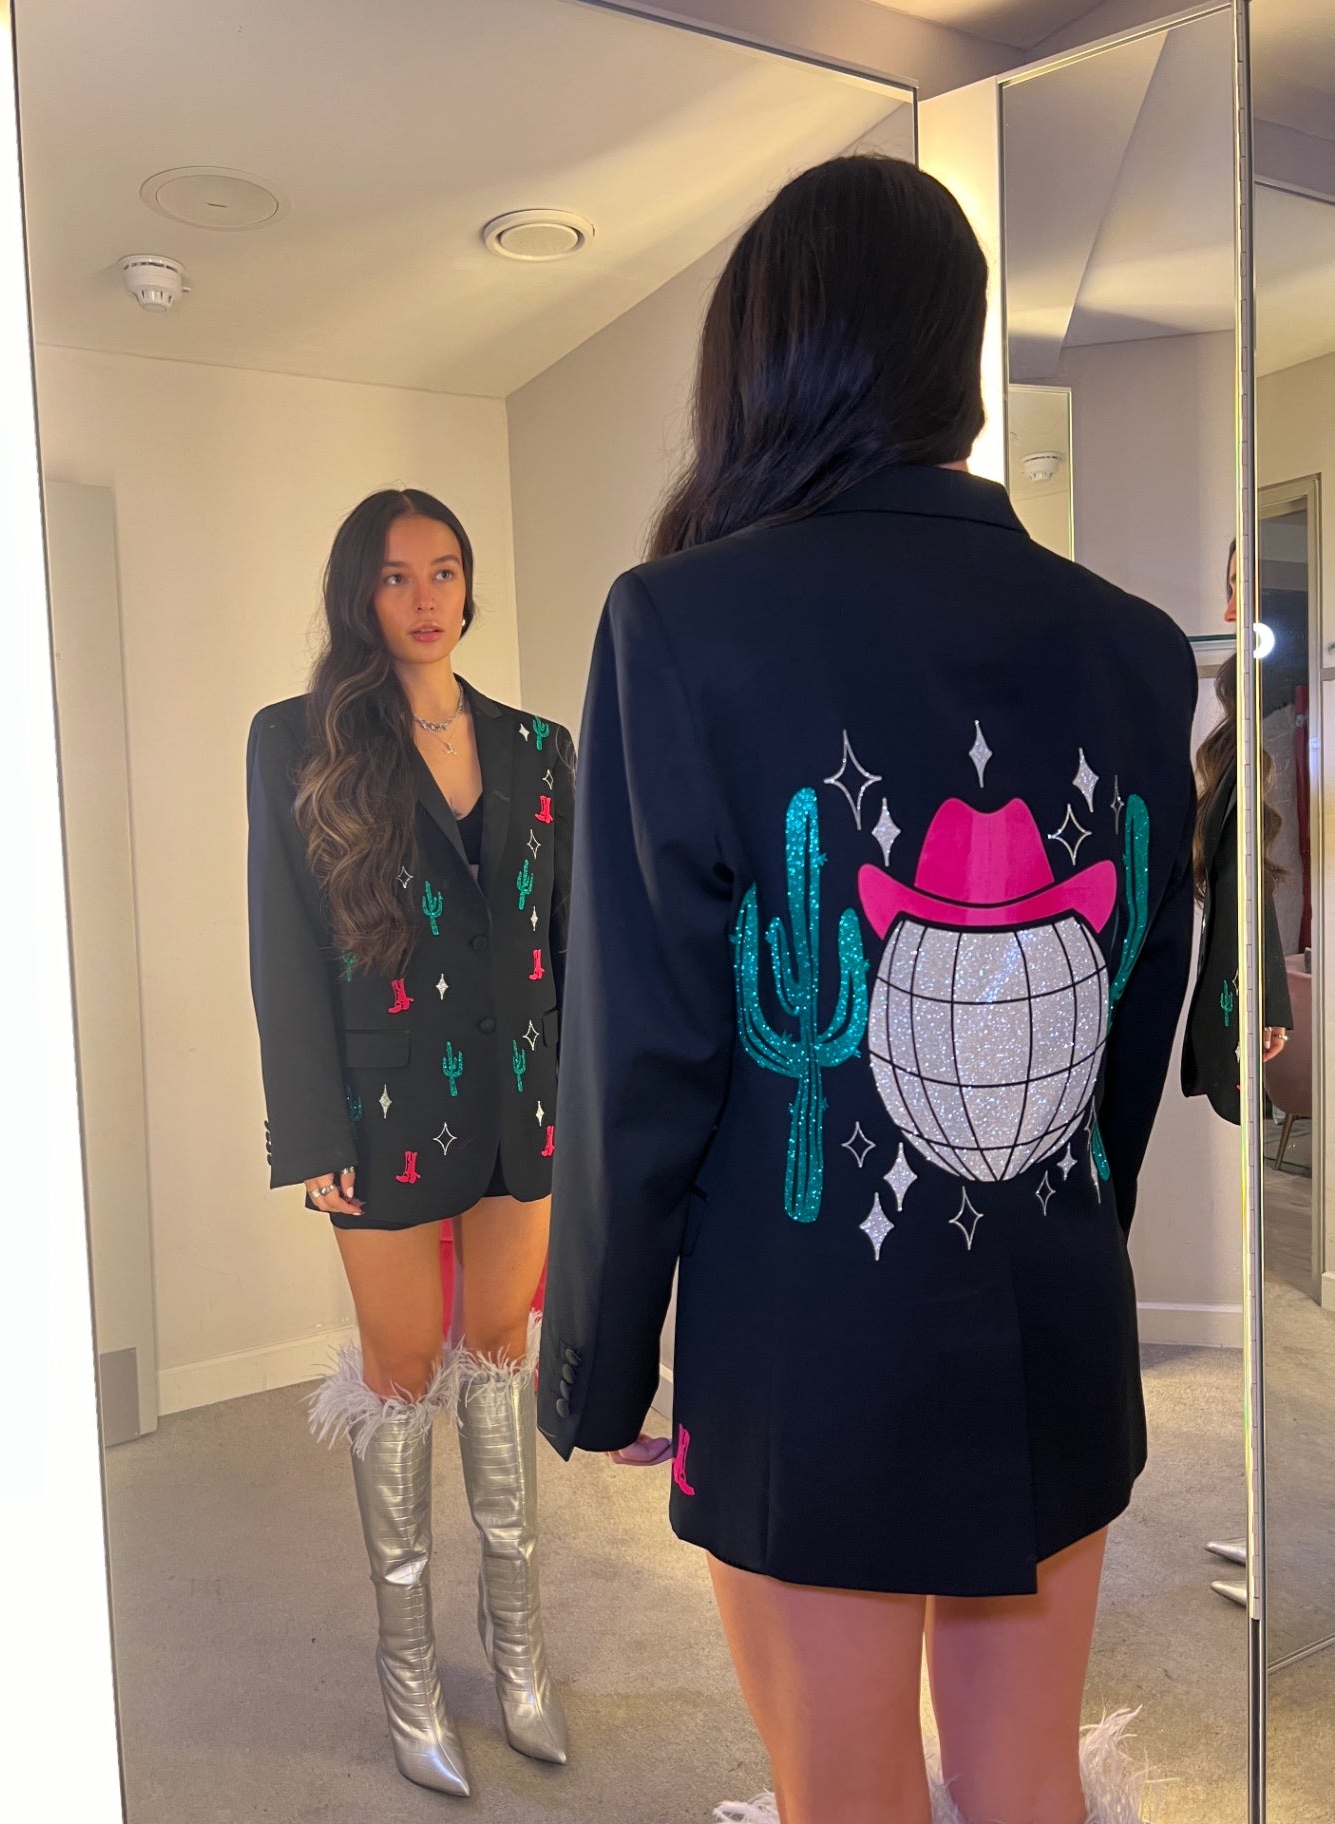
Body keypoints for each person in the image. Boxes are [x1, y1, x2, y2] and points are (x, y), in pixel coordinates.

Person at [538, 157, 1198, 1824]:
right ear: (951, 349)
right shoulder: (1132, 646)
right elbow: (1129, 1010)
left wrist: (602, 1357)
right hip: (1053, 1310)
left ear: (766, 355)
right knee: (1025, 1781)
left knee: (844, 1792)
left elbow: (639, 1045)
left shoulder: (680, 624)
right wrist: (1059, 1242)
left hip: (806, 1342)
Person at [246, 488, 573, 1797]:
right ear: (359, 593)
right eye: (396, 576)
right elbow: (281, 944)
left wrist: (578, 1097)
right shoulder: (297, 740)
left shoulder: (540, 746)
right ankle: (409, 1678)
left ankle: (520, 1656)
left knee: (499, 1357)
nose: (426, 597)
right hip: (379, 1109)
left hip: (521, 1098)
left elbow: (565, 941)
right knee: (397, 1370)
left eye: (444, 570)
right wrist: (309, 1127)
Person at [1185, 541, 1291, 1602]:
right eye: (1228, 580)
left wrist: (1267, 1003)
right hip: (1233, 991)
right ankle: (1265, 1525)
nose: (1230, 597)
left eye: (1241, 579)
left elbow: (1255, 888)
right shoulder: (1237, 714)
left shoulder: (1265, 702)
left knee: (1267, 1289)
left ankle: (1275, 1536)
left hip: (1243, 994)